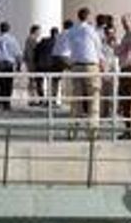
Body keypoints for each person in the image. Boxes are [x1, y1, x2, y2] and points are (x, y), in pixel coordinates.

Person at [61, 8, 102, 139]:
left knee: (76, 100)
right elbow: (98, 48)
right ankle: (92, 132)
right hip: (91, 66)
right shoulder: (91, 30)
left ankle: (72, 132)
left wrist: (70, 63)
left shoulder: (71, 31)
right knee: (93, 99)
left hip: (76, 66)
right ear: (88, 16)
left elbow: (64, 51)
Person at [30, 25, 55, 107]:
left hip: (40, 64)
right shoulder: (56, 42)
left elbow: (36, 51)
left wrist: (35, 61)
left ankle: (42, 99)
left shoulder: (43, 41)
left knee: (39, 83)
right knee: (50, 83)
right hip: (50, 65)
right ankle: (50, 101)